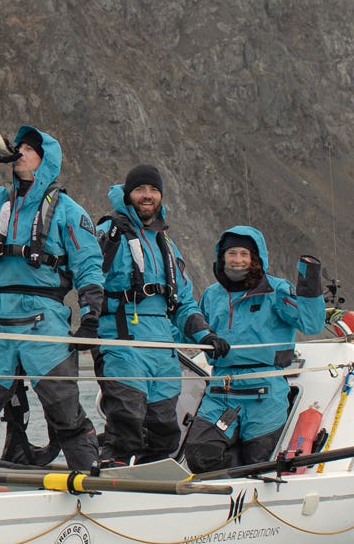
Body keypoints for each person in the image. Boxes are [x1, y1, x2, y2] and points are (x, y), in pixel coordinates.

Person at [0, 126, 103, 471]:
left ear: (45, 161)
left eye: (29, 149)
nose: (21, 152)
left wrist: (90, 319)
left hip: (45, 322)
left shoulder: (69, 212)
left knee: (64, 410)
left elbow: (89, 266)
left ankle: (90, 482)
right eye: (20, 147)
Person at [94, 163, 229, 465]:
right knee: (126, 425)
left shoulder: (167, 245)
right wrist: (87, 324)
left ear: (161, 197)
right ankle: (106, 478)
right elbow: (87, 279)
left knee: (165, 433)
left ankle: (147, 484)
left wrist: (205, 335)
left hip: (162, 349)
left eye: (153, 190)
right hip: (122, 342)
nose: (147, 195)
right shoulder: (108, 233)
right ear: (129, 194)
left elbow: (183, 302)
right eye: (141, 189)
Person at [184, 225, 326, 473]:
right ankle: (230, 490)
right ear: (222, 257)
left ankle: (245, 491)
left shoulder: (277, 290)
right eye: (232, 253)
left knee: (258, 460)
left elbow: (311, 323)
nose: (237, 260)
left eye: (244, 254)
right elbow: (187, 332)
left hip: (266, 392)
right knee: (199, 453)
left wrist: (310, 282)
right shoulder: (211, 294)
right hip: (221, 390)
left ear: (255, 258)